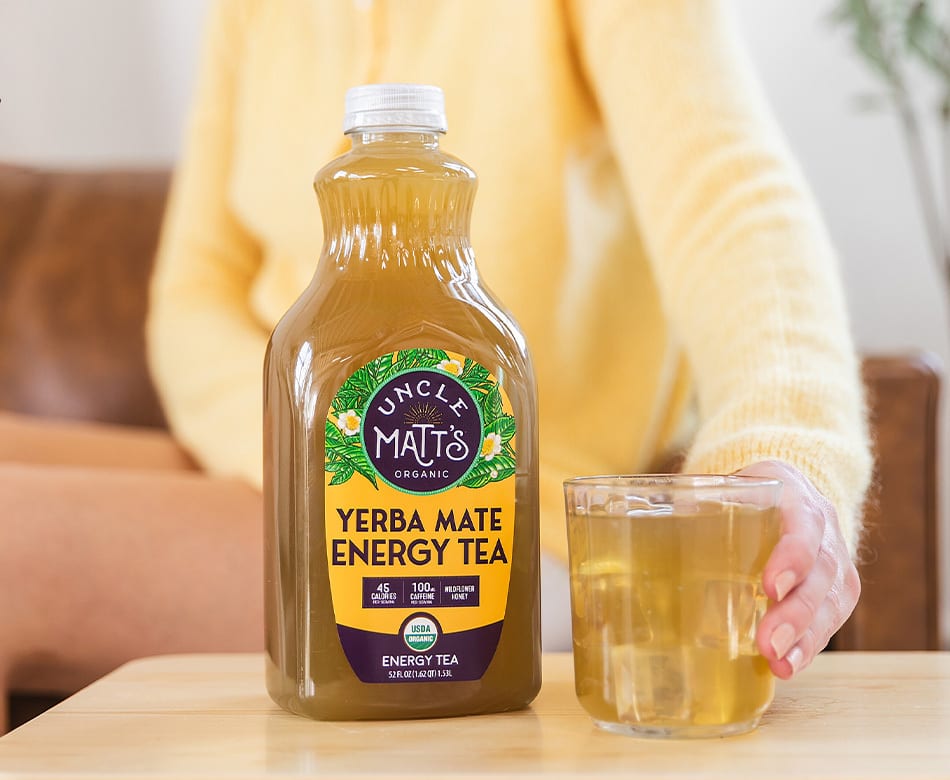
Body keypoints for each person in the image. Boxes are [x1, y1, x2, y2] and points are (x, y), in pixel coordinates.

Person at [0, 0, 870, 731]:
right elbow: (193, 295)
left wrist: (786, 451)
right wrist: (305, 437)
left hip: (492, 520)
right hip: (293, 448)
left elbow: (732, 198)